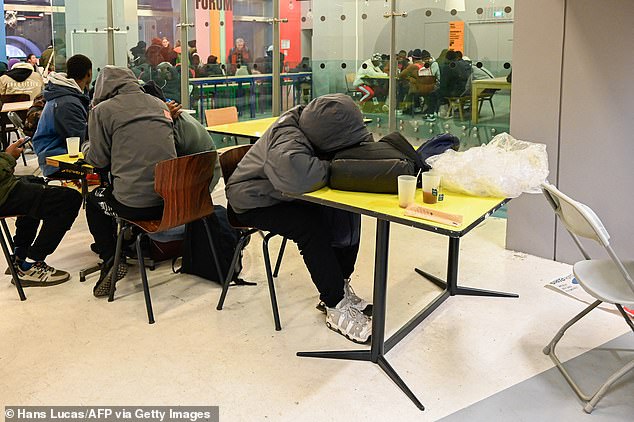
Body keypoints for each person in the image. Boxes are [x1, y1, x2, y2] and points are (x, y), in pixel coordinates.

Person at [225, 93, 373, 344]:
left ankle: (339, 284)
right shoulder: (288, 140)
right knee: (311, 228)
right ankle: (335, 304)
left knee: (345, 210)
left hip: (281, 195)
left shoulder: (315, 123)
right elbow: (298, 176)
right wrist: (338, 167)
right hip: (251, 200)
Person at [84, 66, 177, 297]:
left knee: (94, 200)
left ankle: (110, 258)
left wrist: (85, 147)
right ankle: (129, 242)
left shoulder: (103, 111)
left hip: (134, 206)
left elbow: (98, 159)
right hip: (173, 203)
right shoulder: (159, 105)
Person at [0, 138, 82, 285]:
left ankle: (20, 255)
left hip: (5, 187)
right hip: (3, 194)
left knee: (36, 184)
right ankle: (31, 264)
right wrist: (8, 157)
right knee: (69, 199)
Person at [32, 54, 92, 178]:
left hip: (51, 154)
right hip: (56, 161)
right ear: (89, 74)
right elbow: (80, 140)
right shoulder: (68, 102)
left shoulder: (65, 94)